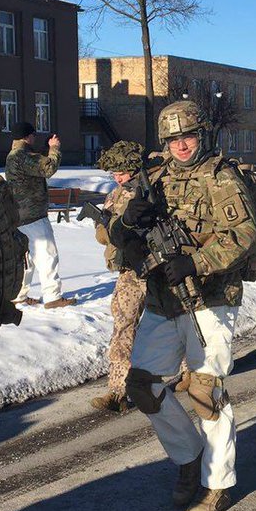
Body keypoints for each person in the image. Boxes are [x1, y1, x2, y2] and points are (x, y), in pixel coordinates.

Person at [109, 100, 256, 511]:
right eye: (173, 138)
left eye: (188, 136)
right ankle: (188, 456)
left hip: (210, 298)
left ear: (202, 135)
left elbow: (244, 233)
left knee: (205, 390)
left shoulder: (221, 176)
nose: (180, 145)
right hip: (162, 299)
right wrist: (127, 226)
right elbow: (116, 233)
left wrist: (196, 261)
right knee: (142, 384)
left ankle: (217, 485)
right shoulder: (151, 178)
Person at [89, 140, 149, 413]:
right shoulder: (115, 195)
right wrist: (105, 225)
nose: (117, 178)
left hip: (156, 266)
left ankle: (190, 373)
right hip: (129, 271)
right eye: (113, 174)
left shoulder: (151, 190)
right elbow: (104, 238)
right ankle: (118, 391)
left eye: (120, 172)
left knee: (174, 322)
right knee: (123, 324)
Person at [5, 121, 75, 308]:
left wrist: (46, 150)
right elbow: (48, 168)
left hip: (20, 216)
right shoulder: (22, 156)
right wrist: (54, 149)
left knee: (25, 259)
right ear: (28, 136)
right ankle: (52, 297)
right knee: (47, 256)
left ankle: (18, 295)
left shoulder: (16, 155)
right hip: (33, 215)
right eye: (33, 135)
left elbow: (36, 165)